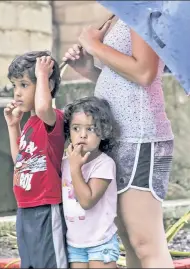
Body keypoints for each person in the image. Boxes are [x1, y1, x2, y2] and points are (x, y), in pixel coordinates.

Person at [62, 14, 174, 268]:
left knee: (146, 243)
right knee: (130, 241)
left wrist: (95, 45)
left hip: (140, 137)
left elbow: (145, 72)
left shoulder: (142, 9)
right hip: (117, 136)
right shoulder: (120, 12)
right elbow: (126, 81)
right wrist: (89, 69)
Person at [4, 51, 67, 268]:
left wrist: (42, 75)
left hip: (46, 207)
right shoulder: (29, 125)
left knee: (49, 262)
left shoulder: (53, 119)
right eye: (15, 86)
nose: (17, 93)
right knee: (30, 263)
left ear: (46, 85)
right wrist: (14, 127)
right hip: (25, 207)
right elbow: (20, 161)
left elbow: (42, 107)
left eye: (24, 84)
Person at [62, 96, 120, 268]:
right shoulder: (65, 162)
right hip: (75, 244)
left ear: (103, 132)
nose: (82, 135)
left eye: (91, 129)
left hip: (101, 243)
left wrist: (74, 169)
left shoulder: (104, 164)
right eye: (76, 128)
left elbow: (87, 201)